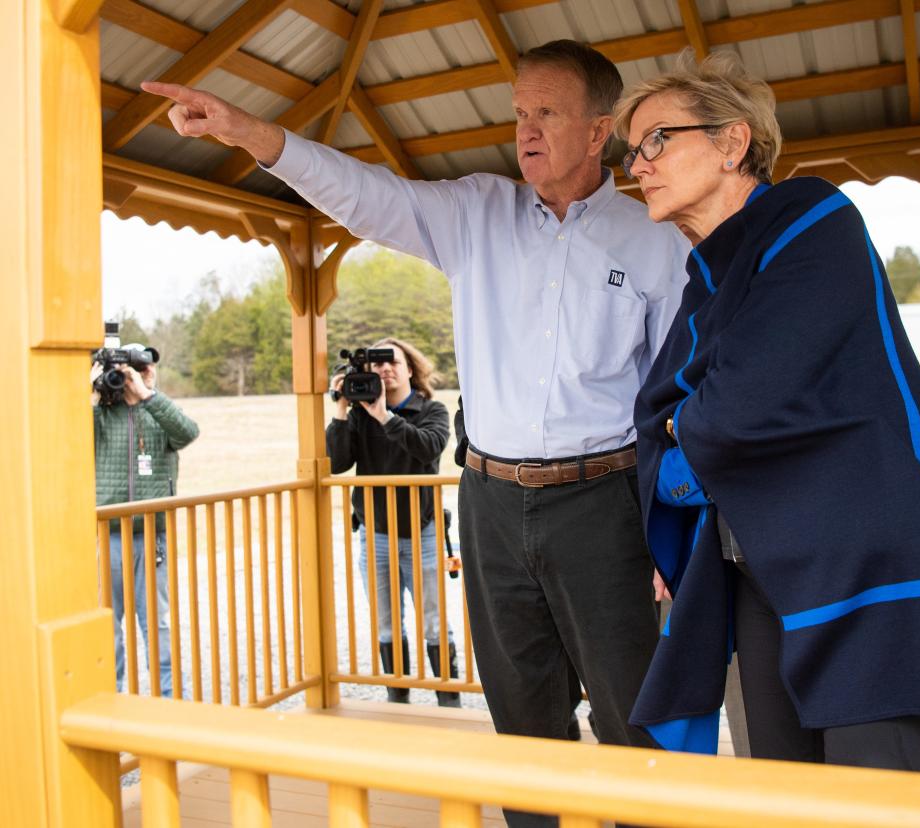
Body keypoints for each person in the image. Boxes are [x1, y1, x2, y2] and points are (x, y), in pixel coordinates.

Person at [144, 41, 689, 824]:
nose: (525, 131)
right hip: (491, 503)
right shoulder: (475, 212)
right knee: (523, 722)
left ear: (600, 130)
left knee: (633, 715)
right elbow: (364, 194)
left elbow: (673, 400)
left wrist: (672, 532)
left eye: (546, 113)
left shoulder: (655, 241)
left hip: (606, 501)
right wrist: (254, 135)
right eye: (517, 113)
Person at [615, 51, 920, 771]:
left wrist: (692, 434)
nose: (636, 164)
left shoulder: (813, 222)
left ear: (732, 141)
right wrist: (693, 437)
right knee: (785, 795)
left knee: (874, 801)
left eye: (656, 141)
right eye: (630, 150)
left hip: (872, 575)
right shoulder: (708, 276)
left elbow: (738, 408)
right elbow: (661, 424)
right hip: (756, 574)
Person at [326, 338, 456, 706]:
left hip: (423, 530)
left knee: (433, 619)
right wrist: (341, 407)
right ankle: (397, 697)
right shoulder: (357, 414)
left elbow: (428, 447)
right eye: (376, 363)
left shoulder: (432, 409)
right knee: (386, 621)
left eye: (392, 361)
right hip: (375, 532)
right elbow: (335, 463)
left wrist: (384, 416)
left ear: (410, 368)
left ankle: (449, 696)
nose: (385, 368)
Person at [93, 344, 200, 697]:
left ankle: (168, 698)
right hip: (106, 532)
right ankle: (111, 693)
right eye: (128, 371)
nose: (133, 377)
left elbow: (188, 432)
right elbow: (66, 437)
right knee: (107, 624)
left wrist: (148, 395)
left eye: (143, 369)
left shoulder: (158, 410)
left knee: (158, 623)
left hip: (151, 533)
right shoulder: (99, 413)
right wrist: (91, 392)